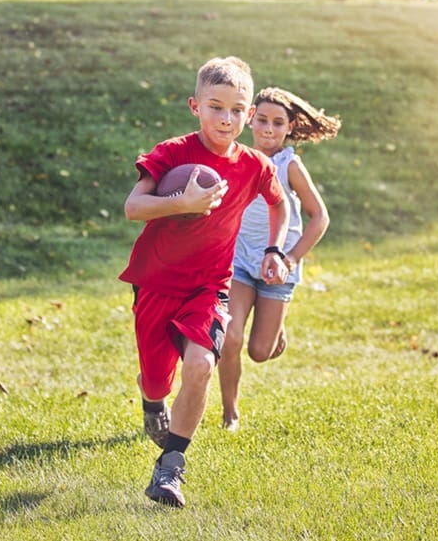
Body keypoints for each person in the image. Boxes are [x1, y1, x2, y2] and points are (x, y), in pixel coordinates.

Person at [119, 57, 291, 508]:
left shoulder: (254, 166)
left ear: (249, 115)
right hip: (156, 283)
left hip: (209, 289)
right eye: (216, 107)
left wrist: (276, 249)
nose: (227, 119)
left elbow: (280, 205)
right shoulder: (173, 153)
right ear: (196, 106)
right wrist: (182, 202)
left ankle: (170, 470)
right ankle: (151, 397)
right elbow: (133, 207)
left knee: (200, 366)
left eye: (237, 110)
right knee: (158, 381)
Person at [218, 87, 341, 432]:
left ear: (289, 127)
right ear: (250, 117)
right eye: (262, 121)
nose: (268, 129)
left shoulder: (289, 165)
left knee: (259, 351)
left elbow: (320, 217)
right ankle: (231, 413)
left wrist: (290, 258)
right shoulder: (235, 155)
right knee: (230, 337)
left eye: (277, 123)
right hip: (240, 263)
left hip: (278, 268)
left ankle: (276, 330)